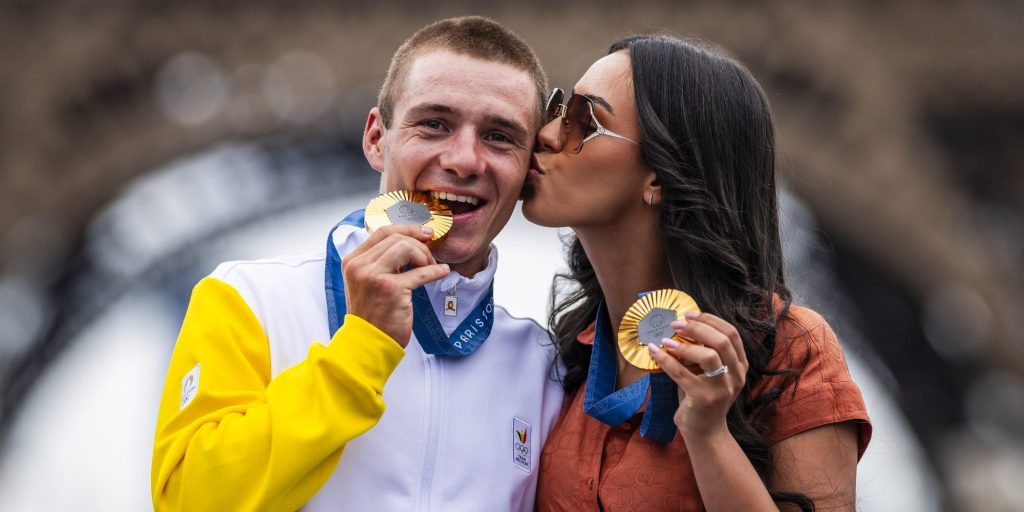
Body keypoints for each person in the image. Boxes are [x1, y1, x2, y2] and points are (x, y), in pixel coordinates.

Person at [151, 17, 563, 511]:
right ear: (375, 139)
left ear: (528, 169)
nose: (464, 160)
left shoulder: (542, 363)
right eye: (434, 124)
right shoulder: (249, 300)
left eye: (499, 136)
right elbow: (191, 502)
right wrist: (360, 348)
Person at [523, 34, 872, 511]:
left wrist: (708, 434)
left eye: (586, 122)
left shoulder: (787, 349)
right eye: (559, 110)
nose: (546, 134)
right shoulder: (564, 357)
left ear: (660, 177)